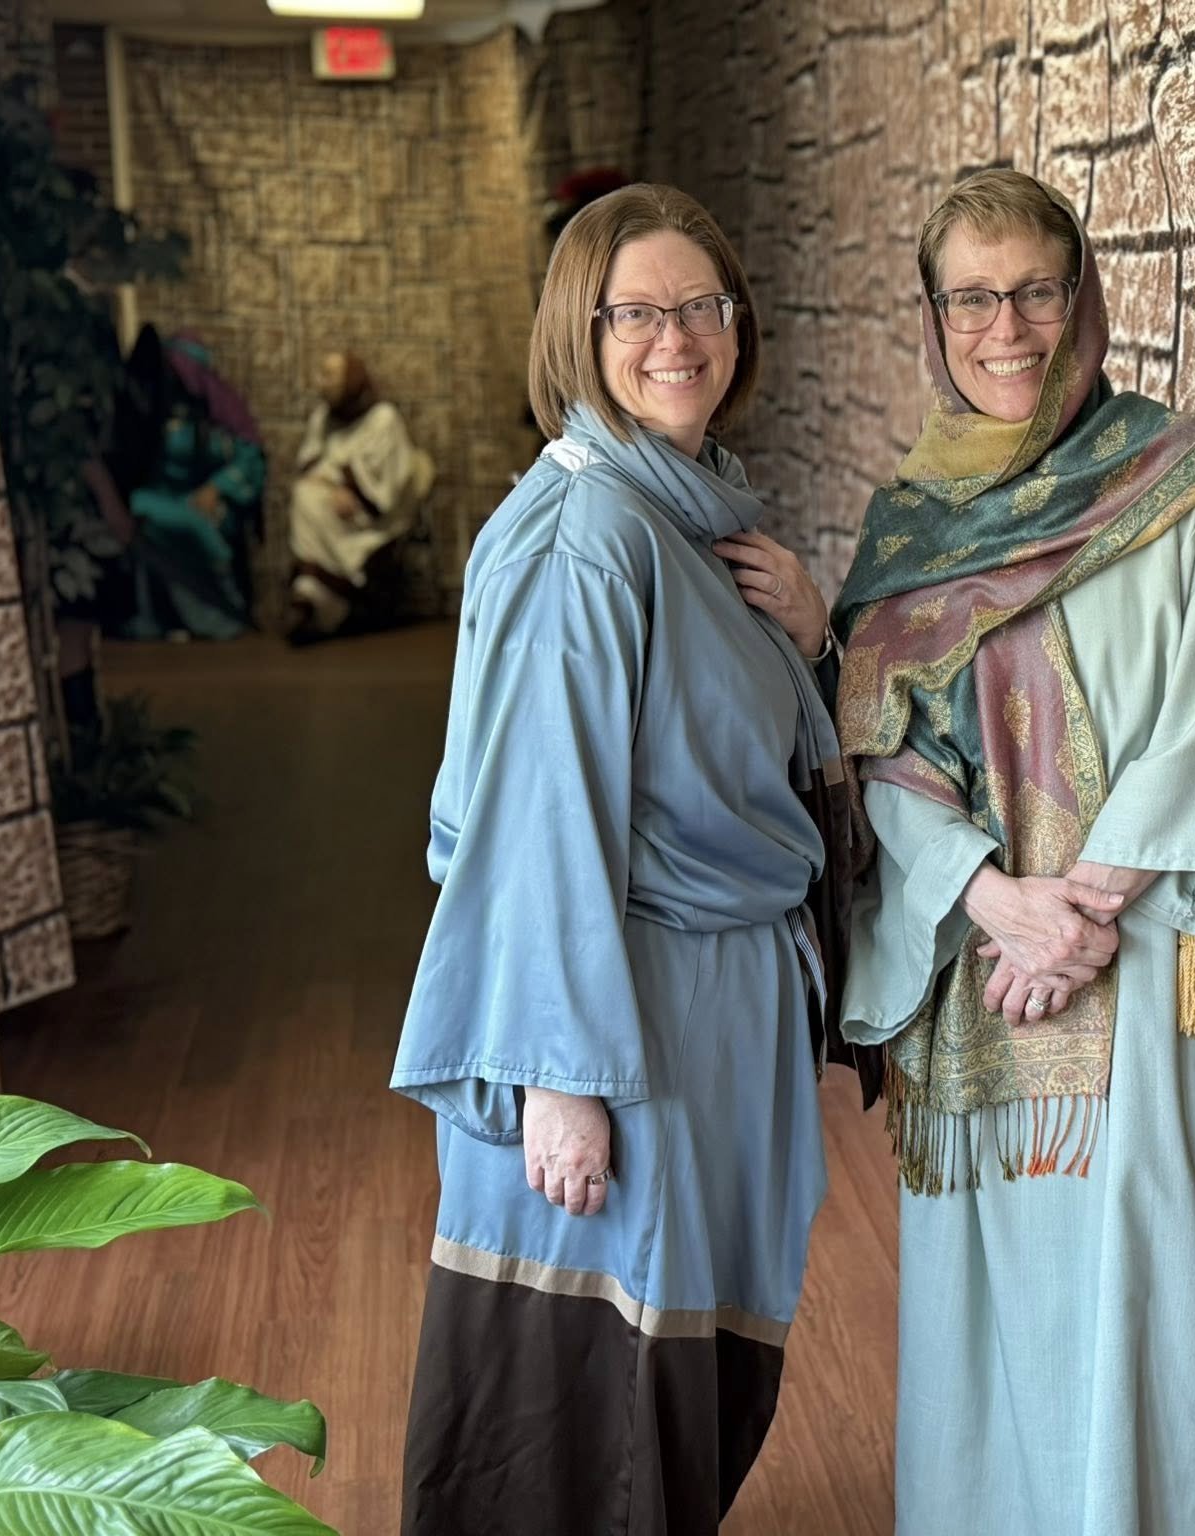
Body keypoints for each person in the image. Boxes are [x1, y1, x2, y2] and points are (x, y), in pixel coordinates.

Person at [834, 169, 1195, 1535]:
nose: (1010, 327)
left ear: (1086, 296)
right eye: (974, 298)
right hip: (983, 972)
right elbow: (879, 751)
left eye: (1038, 290)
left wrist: (1086, 914)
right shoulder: (908, 528)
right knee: (1000, 1314)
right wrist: (995, 901)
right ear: (934, 320)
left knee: (1162, 1311)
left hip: (1160, 971)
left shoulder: (1192, 485)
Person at [391, 183, 853, 1536]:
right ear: (577, 334)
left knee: (677, 1372)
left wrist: (813, 634)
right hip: (620, 1021)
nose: (677, 338)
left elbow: (740, 742)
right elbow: (541, 815)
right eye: (636, 313)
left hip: (707, 1015)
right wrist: (559, 1081)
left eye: (702, 306)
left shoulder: (696, 517)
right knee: (581, 1392)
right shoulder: (589, 535)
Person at [110, 331, 264, 641]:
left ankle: (221, 614)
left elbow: (249, 459)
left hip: (203, 499)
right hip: (154, 499)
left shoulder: (214, 413)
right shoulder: (148, 411)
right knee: (179, 523)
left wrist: (216, 488)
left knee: (207, 520)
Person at [285, 349, 432, 643]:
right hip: (332, 506)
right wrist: (334, 484)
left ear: (350, 380)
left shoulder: (383, 419)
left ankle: (322, 593)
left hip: (373, 517)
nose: (320, 382)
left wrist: (346, 487)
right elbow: (310, 464)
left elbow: (387, 481)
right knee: (304, 496)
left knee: (310, 500)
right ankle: (324, 590)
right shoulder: (323, 419)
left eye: (329, 375)